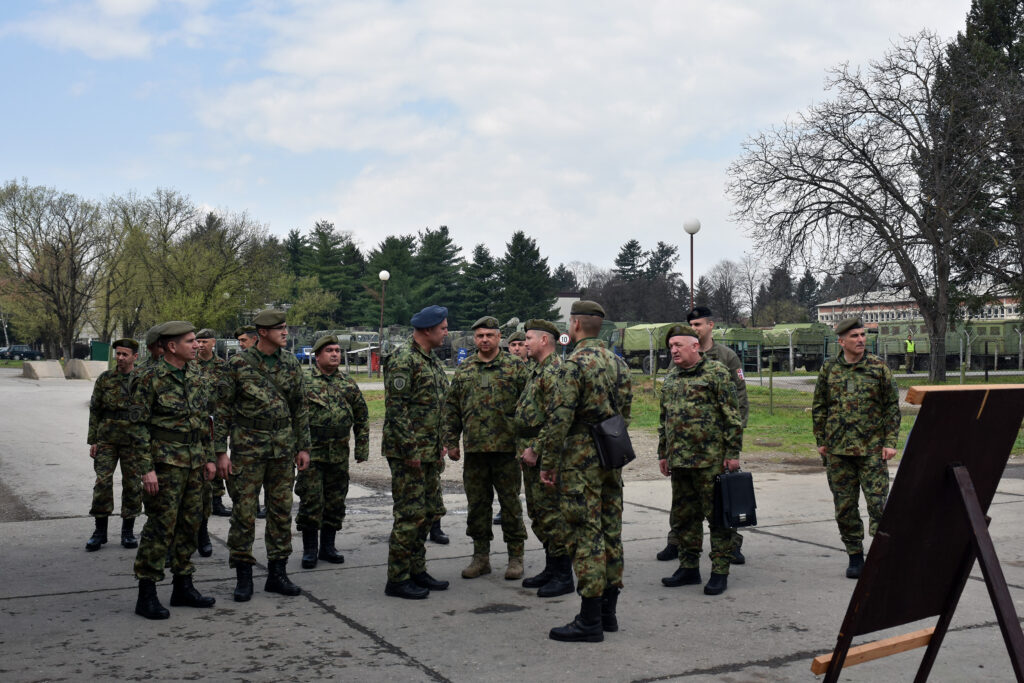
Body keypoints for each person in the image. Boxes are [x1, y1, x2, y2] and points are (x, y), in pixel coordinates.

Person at [538, 300, 631, 642]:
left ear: (575, 325)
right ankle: (608, 614)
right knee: (610, 530)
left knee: (585, 535)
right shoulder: (618, 363)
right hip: (610, 455)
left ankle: (589, 620)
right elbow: (625, 413)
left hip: (579, 461)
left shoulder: (572, 365)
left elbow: (559, 419)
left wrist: (548, 464)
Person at [215, 309, 311, 602]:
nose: (286, 332)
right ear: (264, 333)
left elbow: (300, 407)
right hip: (247, 448)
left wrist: (303, 446)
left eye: (286, 327)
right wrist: (220, 452)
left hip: (282, 449)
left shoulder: (290, 364)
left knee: (281, 512)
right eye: (280, 328)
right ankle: (243, 576)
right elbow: (222, 410)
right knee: (244, 513)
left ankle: (277, 574)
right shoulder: (238, 364)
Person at [129, 322, 217, 619]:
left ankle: (183, 586)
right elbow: (138, 427)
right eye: (190, 341)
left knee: (190, 525)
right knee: (159, 528)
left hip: (194, 462)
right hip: (165, 465)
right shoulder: (148, 377)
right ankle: (147, 594)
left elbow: (204, 421)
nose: (197, 345)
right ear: (171, 346)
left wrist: (209, 458)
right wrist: (146, 470)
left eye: (197, 341)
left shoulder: (196, 375)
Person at [657, 306, 749, 565]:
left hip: (713, 449)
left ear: (709, 327)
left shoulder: (725, 358)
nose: (694, 328)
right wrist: (663, 450)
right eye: (691, 324)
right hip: (683, 454)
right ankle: (679, 546)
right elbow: (666, 414)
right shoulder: (676, 366)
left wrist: (732, 444)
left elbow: (738, 399)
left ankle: (731, 546)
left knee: (721, 503)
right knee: (684, 506)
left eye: (698, 324)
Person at [813, 317, 900, 579]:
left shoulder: (878, 368)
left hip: (872, 450)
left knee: (878, 506)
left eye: (863, 335)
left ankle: (882, 555)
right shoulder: (829, 369)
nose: (861, 340)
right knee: (844, 506)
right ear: (841, 342)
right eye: (854, 336)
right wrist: (821, 441)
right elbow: (820, 407)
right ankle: (855, 556)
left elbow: (891, 407)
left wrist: (890, 442)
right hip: (838, 451)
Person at [443, 316, 528, 581]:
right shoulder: (465, 368)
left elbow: (529, 408)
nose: (484, 340)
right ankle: (481, 557)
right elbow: (452, 407)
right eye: (480, 336)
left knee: (510, 505)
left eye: (489, 335)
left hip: (507, 451)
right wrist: (451, 441)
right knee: (477, 506)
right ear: (475, 339)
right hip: (476, 451)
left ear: (499, 337)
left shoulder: (516, 368)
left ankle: (516, 557)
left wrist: (528, 444)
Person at [382, 304, 454, 599]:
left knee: (426, 514)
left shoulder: (432, 361)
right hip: (408, 452)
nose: (446, 333)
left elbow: (436, 407)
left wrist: (440, 445)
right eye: (443, 328)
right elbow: (397, 411)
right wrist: (410, 449)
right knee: (409, 515)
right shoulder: (404, 359)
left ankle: (417, 570)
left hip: (428, 451)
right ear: (427, 330)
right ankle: (397, 578)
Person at [296, 334, 369, 569]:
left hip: (338, 452)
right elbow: (294, 417)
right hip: (312, 452)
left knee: (336, 501)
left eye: (337, 350)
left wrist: (362, 447)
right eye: (329, 350)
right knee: (311, 500)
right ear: (317, 356)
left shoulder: (347, 383)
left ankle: (328, 547)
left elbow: (361, 415)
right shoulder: (303, 382)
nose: (335, 354)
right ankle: (309, 549)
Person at [514, 319, 574, 598]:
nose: (524, 343)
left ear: (544, 341)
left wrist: (536, 448)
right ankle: (552, 567)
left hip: (544, 452)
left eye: (528, 338)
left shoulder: (555, 372)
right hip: (530, 449)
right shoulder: (537, 369)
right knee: (538, 514)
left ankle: (563, 575)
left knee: (551, 514)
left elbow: (557, 419)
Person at [85, 338, 143, 552]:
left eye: (124, 354)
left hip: (133, 440)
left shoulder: (142, 380)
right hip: (107, 438)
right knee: (102, 482)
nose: (120, 358)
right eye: (117, 354)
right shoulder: (105, 379)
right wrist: (93, 440)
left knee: (132, 485)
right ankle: (99, 532)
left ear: (135, 357)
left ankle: (127, 532)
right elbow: (95, 410)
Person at [193, 328, 227, 560]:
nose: (201, 344)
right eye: (198, 341)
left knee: (215, 461)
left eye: (205, 341)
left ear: (213, 343)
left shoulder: (223, 366)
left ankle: (216, 500)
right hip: (195, 423)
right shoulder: (190, 365)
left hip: (217, 421)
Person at [233, 324, 265, 518]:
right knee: (246, 481)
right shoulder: (237, 364)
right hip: (245, 436)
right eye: (239, 341)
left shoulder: (282, 363)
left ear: (255, 339)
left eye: (243, 340)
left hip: (272, 435)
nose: (240, 344)